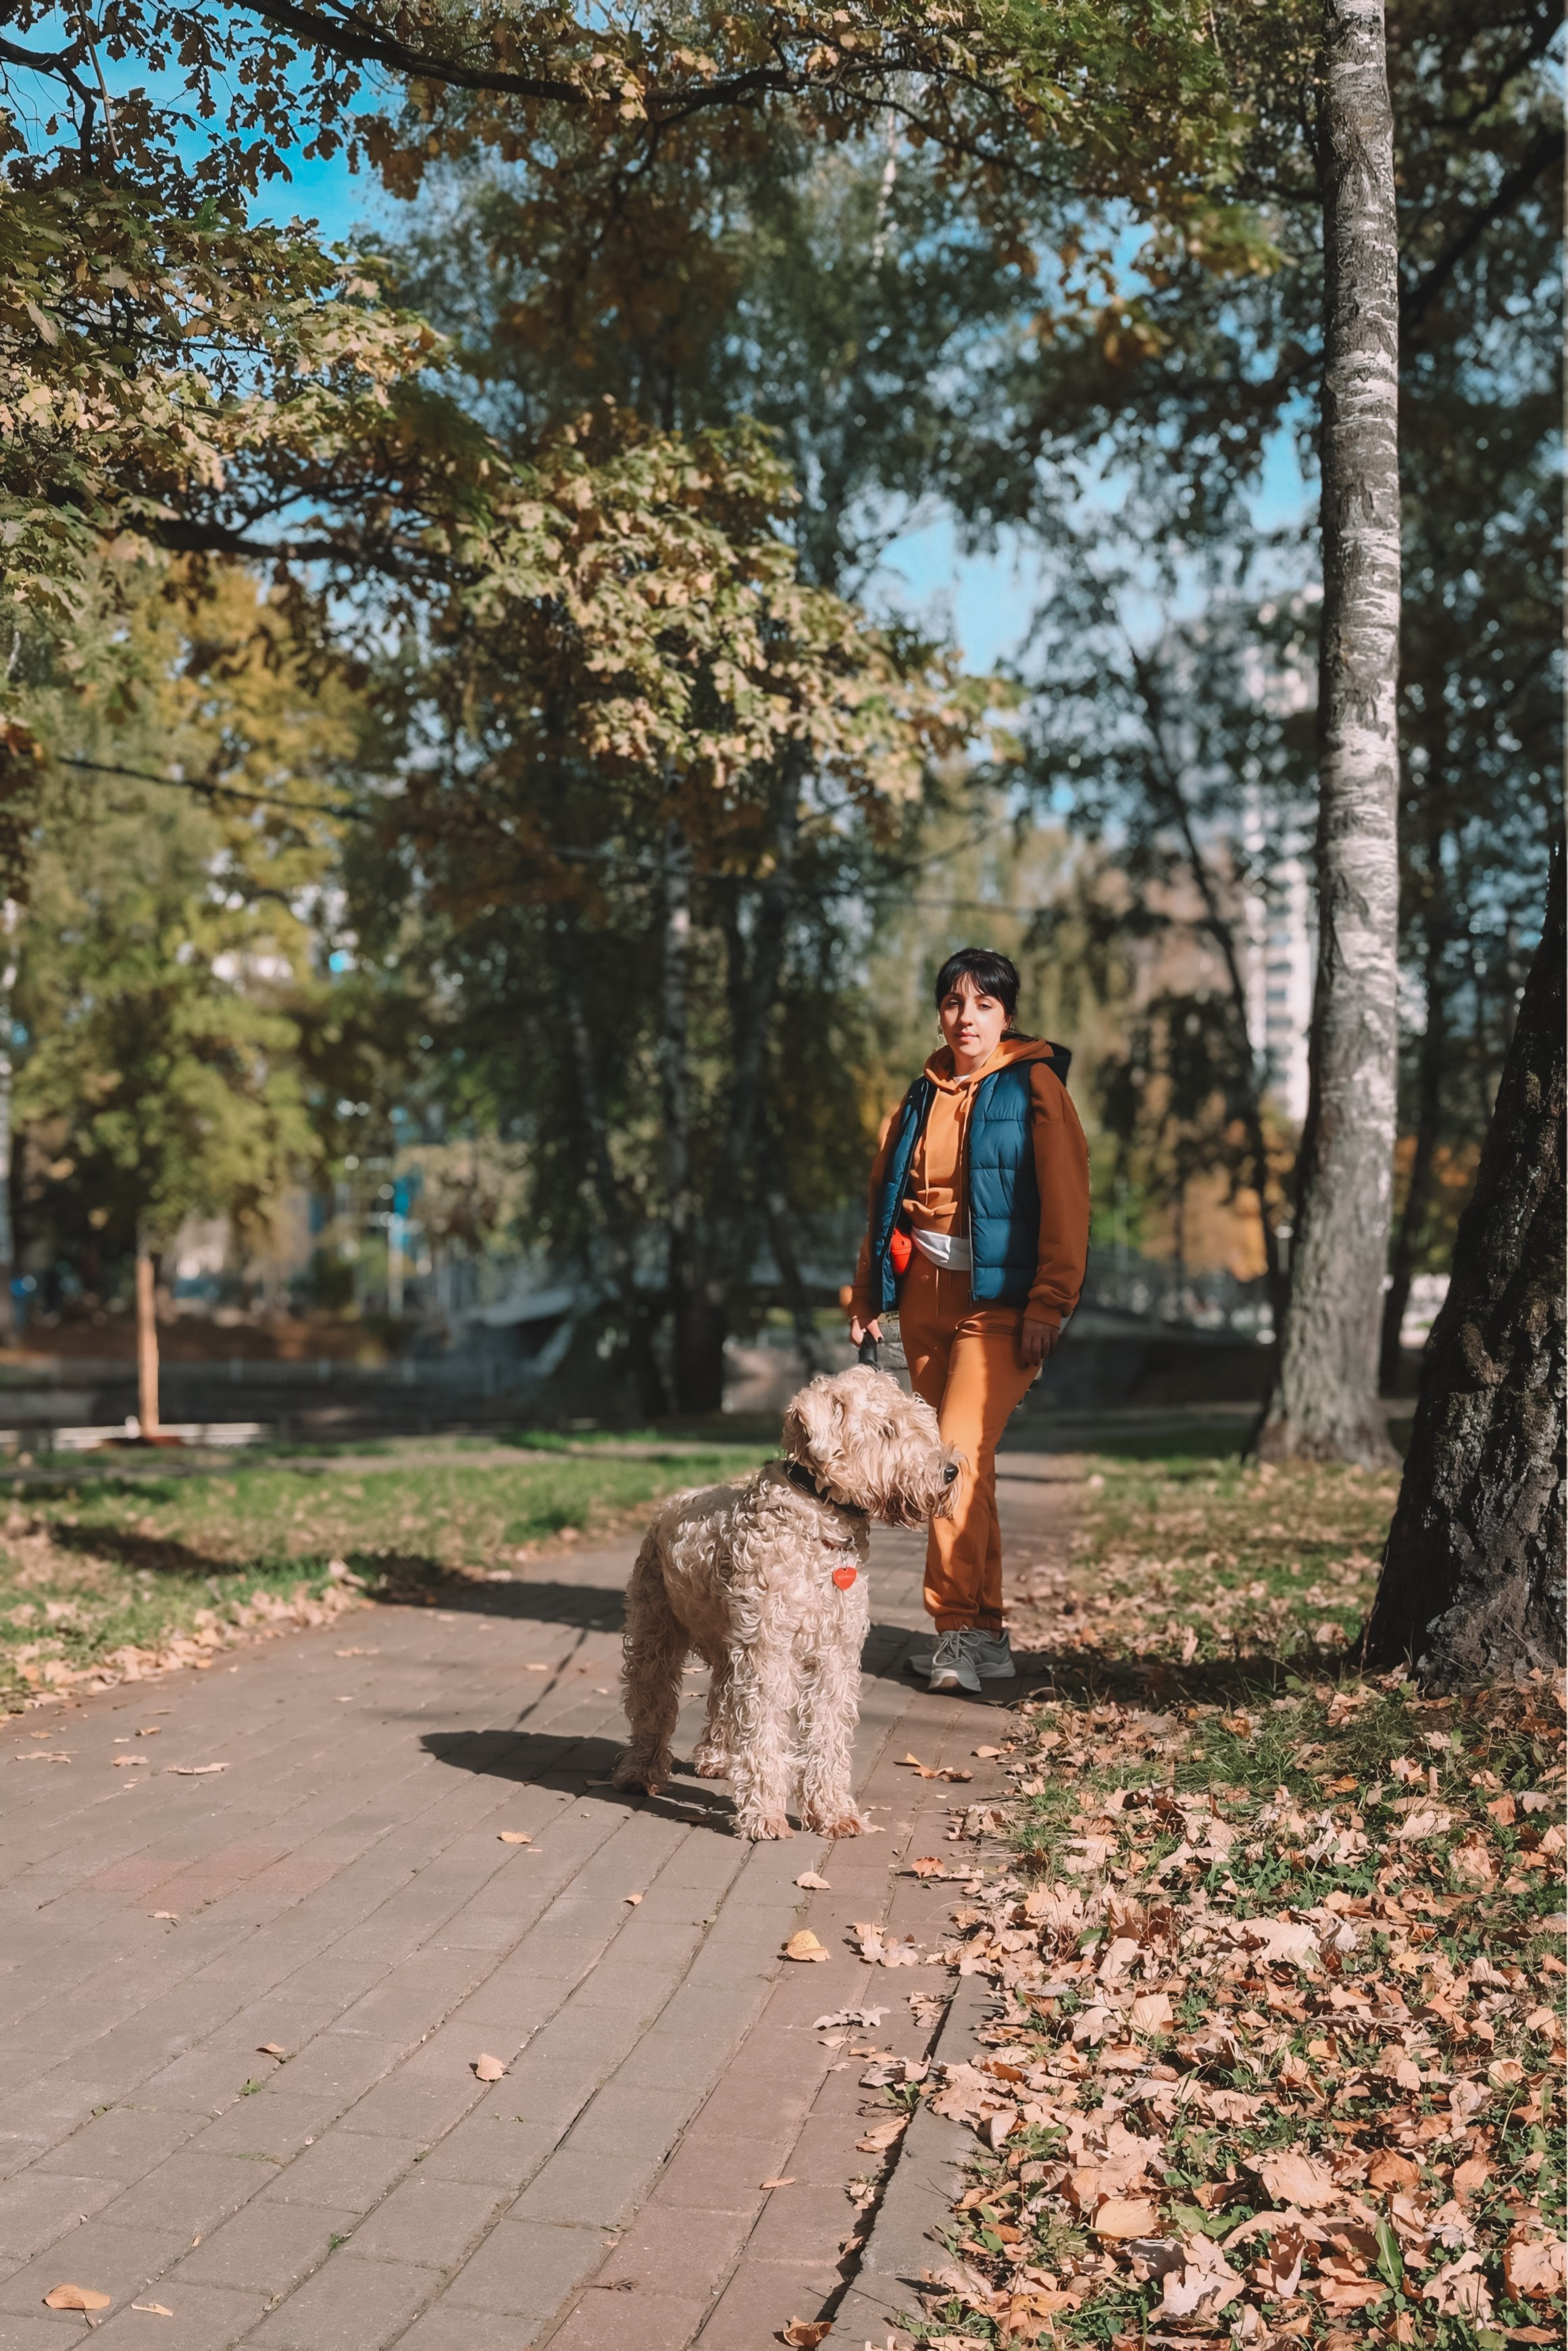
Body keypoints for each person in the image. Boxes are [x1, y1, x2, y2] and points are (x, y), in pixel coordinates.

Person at [848, 947, 1090, 1694]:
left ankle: (955, 1634)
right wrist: (867, 1296)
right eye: (953, 1003)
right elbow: (883, 1200)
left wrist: (1049, 1302)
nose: (965, 1018)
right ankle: (983, 1633)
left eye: (982, 1005)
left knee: (947, 1460)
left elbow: (1066, 1203)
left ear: (1006, 1016)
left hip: (1001, 1309)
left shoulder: (1036, 1087)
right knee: (966, 1468)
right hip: (924, 1301)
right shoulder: (919, 1095)